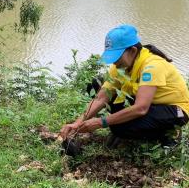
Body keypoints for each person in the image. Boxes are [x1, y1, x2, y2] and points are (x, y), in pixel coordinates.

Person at [60, 24, 189, 151]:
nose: (114, 62)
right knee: (96, 85)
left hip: (176, 110)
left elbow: (141, 108)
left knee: (119, 128)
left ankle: (169, 134)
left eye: (117, 57)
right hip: (151, 104)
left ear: (132, 50)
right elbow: (101, 98)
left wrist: (100, 122)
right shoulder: (120, 66)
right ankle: (135, 127)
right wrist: (78, 123)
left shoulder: (152, 66)